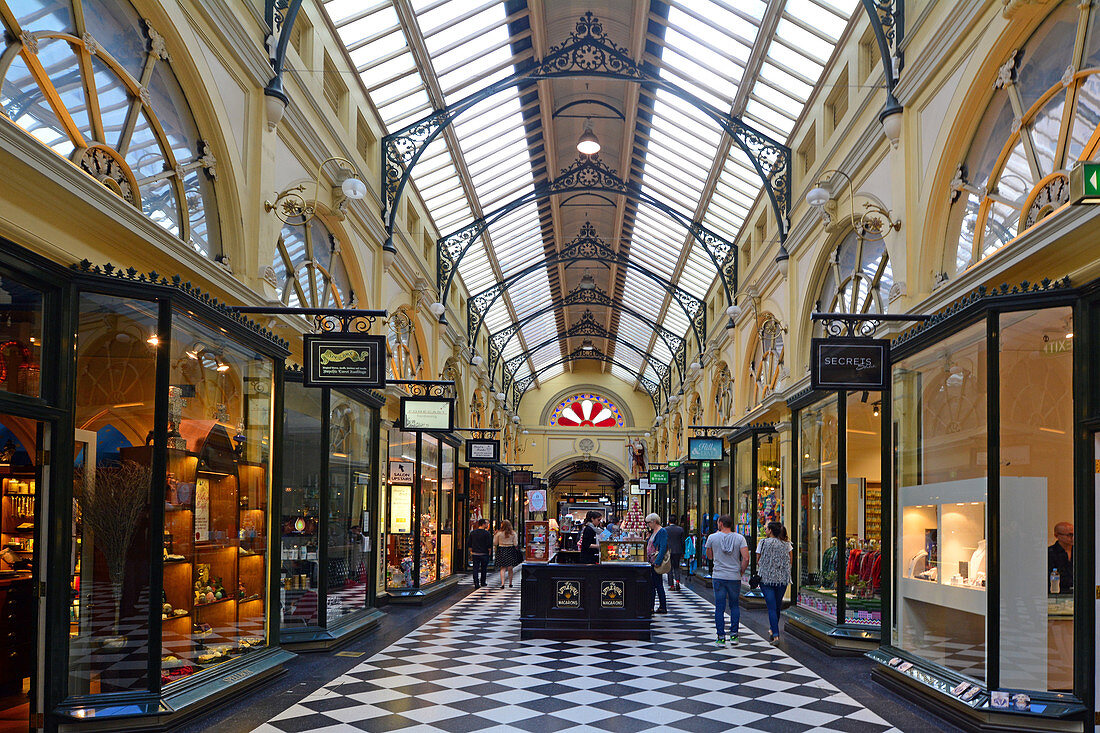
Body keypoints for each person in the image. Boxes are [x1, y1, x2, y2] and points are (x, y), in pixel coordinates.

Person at [705, 514, 749, 646]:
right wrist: (741, 571)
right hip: (734, 576)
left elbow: (709, 556)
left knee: (719, 607)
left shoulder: (712, 537)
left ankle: (721, 637)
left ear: (721, 524)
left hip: (719, 575)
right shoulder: (740, 538)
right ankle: (734, 635)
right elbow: (746, 558)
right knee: (734, 605)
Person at [757, 521, 792, 643]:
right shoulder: (786, 545)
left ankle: (776, 634)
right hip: (782, 579)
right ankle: (773, 629)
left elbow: (758, 559)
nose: (765, 530)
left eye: (766, 529)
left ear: (771, 530)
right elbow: (790, 561)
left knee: (771, 607)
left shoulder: (763, 542)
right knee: (777, 606)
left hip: (766, 579)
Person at [645, 513, 669, 614]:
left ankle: (662, 606)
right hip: (651, 561)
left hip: (655, 562)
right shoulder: (653, 531)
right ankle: (651, 606)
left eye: (649, 523)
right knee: (653, 584)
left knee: (657, 584)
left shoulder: (661, 531)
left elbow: (663, 547)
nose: (648, 525)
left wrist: (658, 561)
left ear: (654, 521)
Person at [1048, 521, 1073, 594]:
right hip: (1057, 593)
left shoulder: (1080, 552)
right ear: (1057, 536)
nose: (1073, 538)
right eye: (1069, 535)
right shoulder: (1050, 553)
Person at [493, 520, 521, 588]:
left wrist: (495, 535)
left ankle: (502, 583)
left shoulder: (499, 533)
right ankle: (510, 583)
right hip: (510, 549)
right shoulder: (513, 533)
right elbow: (515, 543)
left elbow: (495, 543)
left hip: (501, 549)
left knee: (502, 568)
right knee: (510, 568)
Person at [467, 519, 492, 589]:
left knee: (475, 568)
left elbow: (469, 543)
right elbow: (489, 544)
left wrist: (471, 551)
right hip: (484, 553)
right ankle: (483, 582)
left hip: (475, 553)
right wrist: (489, 551)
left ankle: (476, 582)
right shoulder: (487, 533)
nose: (487, 525)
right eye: (486, 524)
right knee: (484, 568)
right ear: (483, 524)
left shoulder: (473, 533)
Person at [665, 516, 685, 591]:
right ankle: (677, 581)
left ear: (669, 521)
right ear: (676, 521)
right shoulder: (680, 530)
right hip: (678, 551)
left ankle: (672, 585)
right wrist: (683, 551)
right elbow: (683, 542)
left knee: (669, 568)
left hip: (669, 551)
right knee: (676, 567)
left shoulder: (665, 530)